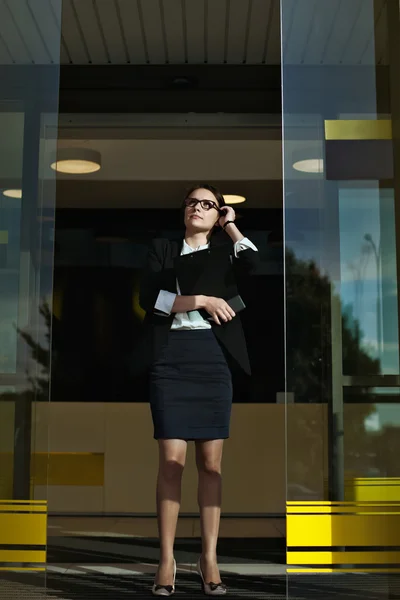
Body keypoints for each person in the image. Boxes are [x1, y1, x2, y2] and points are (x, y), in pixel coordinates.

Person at [139, 184, 259, 596]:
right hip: (171, 358)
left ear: (217, 213)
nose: (199, 207)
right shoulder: (163, 249)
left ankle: (208, 556)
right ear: (183, 211)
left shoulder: (227, 251)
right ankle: (166, 559)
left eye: (208, 204)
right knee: (171, 464)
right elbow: (149, 299)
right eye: (193, 202)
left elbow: (257, 266)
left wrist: (231, 227)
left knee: (211, 465)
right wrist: (203, 299)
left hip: (212, 357)